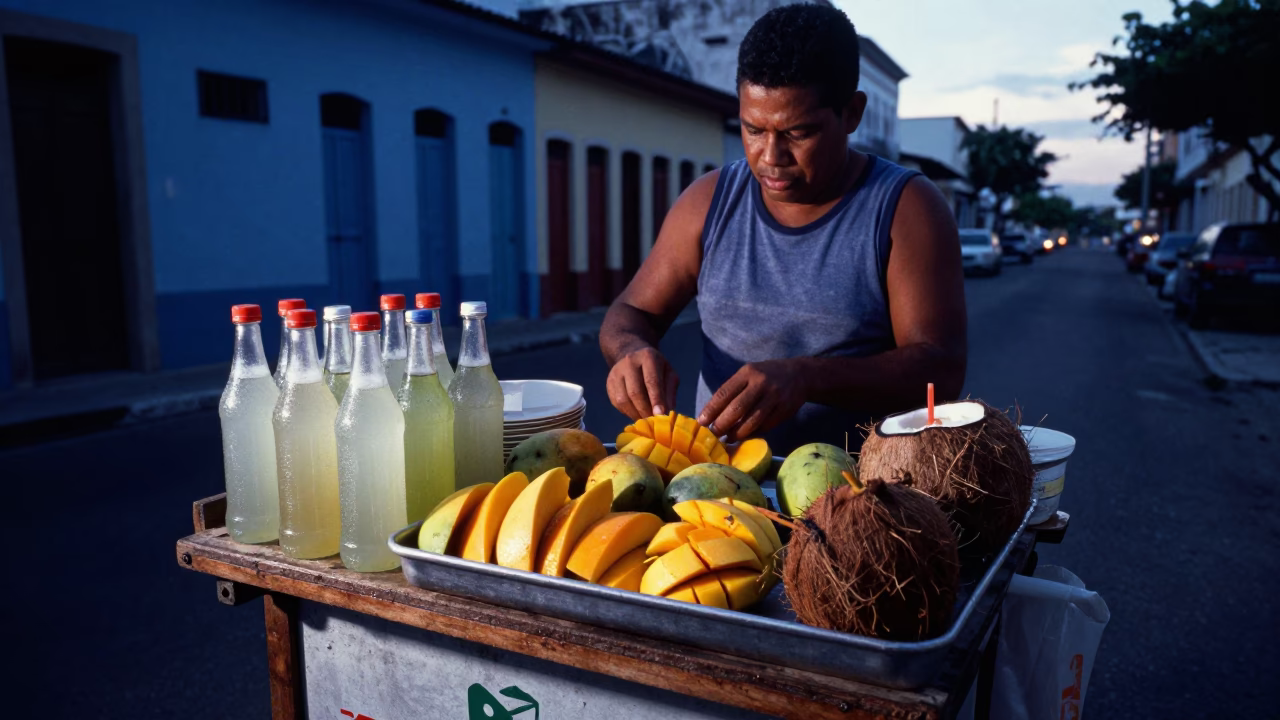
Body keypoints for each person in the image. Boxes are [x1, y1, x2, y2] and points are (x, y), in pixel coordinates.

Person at [599, 4, 967, 453]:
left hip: (863, 494)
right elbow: (630, 314)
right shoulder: (707, 202)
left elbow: (941, 370)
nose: (770, 156)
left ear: (852, 113)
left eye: (797, 133)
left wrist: (806, 377)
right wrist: (629, 351)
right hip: (719, 489)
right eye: (753, 129)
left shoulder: (905, 208)